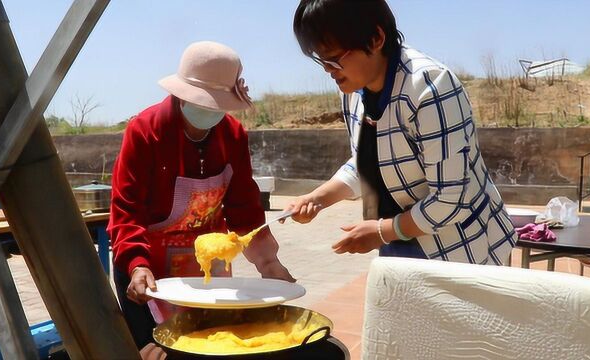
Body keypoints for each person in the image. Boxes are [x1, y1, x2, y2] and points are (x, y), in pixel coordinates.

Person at [288, 0, 516, 264]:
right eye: (321, 59)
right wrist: (318, 198)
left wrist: (382, 232)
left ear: (375, 38)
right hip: (399, 242)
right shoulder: (354, 91)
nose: (328, 70)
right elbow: (370, 163)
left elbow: (451, 197)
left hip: (461, 251)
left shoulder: (430, 87)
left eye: (335, 58)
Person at [108, 41, 294, 348]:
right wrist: (136, 263)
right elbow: (127, 211)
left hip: (206, 265)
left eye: (217, 105)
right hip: (147, 266)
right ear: (181, 94)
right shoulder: (144, 132)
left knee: (212, 343)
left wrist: (268, 263)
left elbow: (244, 209)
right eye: (202, 102)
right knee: (156, 348)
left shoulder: (232, 136)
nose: (209, 111)